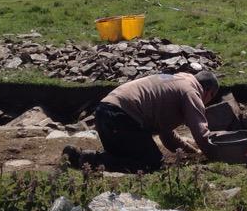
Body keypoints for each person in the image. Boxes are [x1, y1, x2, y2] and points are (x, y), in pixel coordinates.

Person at [63, 70, 219, 173]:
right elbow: (201, 134)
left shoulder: (177, 81)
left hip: (104, 113)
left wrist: (192, 152)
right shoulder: (191, 91)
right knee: (152, 164)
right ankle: (87, 159)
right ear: (209, 93)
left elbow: (168, 136)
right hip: (121, 117)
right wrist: (216, 155)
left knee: (127, 156)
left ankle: (82, 157)